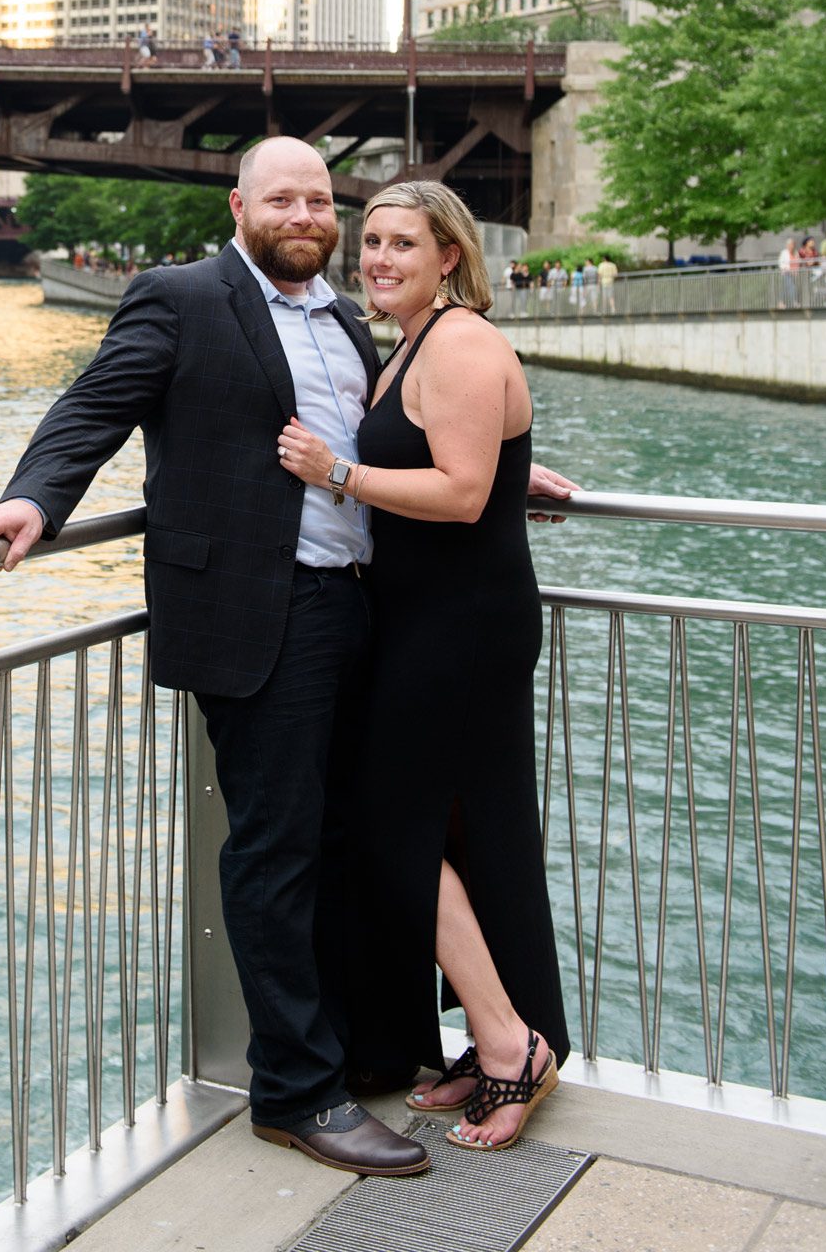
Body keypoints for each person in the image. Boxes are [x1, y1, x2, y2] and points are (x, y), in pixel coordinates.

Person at [0, 138, 575, 1178]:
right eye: (281, 195)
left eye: (318, 199)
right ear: (240, 205)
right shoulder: (180, 295)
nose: (305, 213)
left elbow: (385, 431)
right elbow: (94, 404)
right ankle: (295, 1091)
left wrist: (507, 461)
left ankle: (371, 1051)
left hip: (359, 613)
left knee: (359, 842)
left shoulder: (343, 317)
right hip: (259, 619)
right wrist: (34, 495)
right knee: (277, 852)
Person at [278, 180, 570, 1153]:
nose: (378, 257)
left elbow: (454, 490)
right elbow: (462, 455)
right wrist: (503, 468)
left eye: (403, 242)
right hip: (429, 618)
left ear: (450, 253)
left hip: (459, 625)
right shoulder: (411, 341)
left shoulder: (457, 340)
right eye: (370, 242)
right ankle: (502, 1039)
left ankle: (506, 1041)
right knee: (468, 829)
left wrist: (335, 471)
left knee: (390, 827)